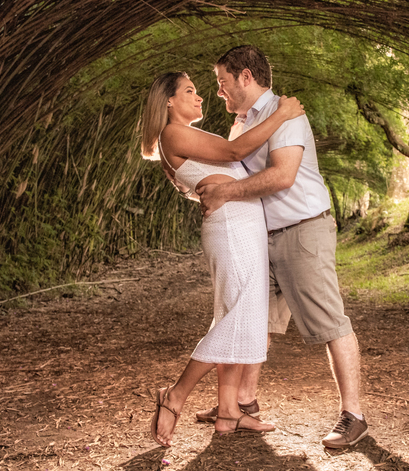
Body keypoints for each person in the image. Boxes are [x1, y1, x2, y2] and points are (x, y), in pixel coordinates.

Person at [197, 45, 369, 449]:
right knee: (258, 322)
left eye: (222, 82)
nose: (219, 92)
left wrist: (226, 192)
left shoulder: (285, 115)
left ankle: (354, 415)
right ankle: (243, 404)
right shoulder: (243, 124)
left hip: (301, 231)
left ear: (245, 77)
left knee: (329, 322)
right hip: (261, 234)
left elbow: (282, 176)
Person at [140, 71, 304, 446]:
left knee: (238, 314)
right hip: (232, 227)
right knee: (237, 316)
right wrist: (281, 114)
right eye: (190, 91)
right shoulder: (171, 132)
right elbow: (235, 154)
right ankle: (176, 395)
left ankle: (228, 411)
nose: (199, 98)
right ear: (167, 100)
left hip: (239, 223)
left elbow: (226, 164)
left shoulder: (183, 134)